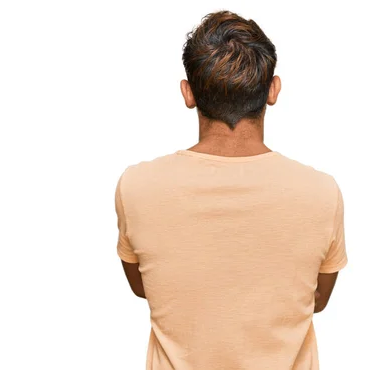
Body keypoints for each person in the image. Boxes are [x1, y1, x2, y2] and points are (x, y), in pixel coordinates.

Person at [114, 10, 348, 370]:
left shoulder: (137, 187)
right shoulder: (321, 193)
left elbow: (145, 288)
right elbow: (316, 299)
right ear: (273, 90)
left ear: (188, 93)